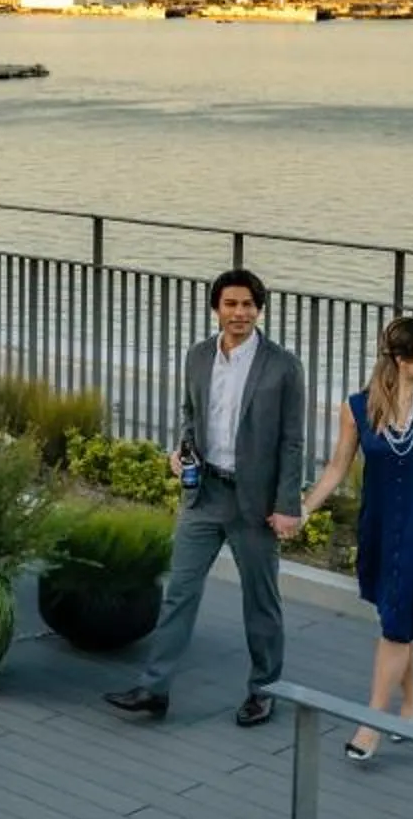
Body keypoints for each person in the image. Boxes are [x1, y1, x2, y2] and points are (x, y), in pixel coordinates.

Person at [107, 267, 306, 727]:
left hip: (254, 504)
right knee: (179, 592)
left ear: (259, 310)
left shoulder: (282, 366)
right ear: (216, 308)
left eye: (248, 305)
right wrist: (183, 450)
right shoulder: (198, 356)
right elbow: (191, 413)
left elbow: (293, 441)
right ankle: (154, 690)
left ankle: (264, 689)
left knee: (261, 600)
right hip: (204, 495)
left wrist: (287, 505)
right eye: (231, 304)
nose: (240, 313)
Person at [296, 316, 413, 761]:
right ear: (402, 358)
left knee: (396, 624)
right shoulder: (358, 408)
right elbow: (337, 469)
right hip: (380, 527)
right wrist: (302, 509)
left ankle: (370, 723)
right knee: (399, 617)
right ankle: (411, 703)